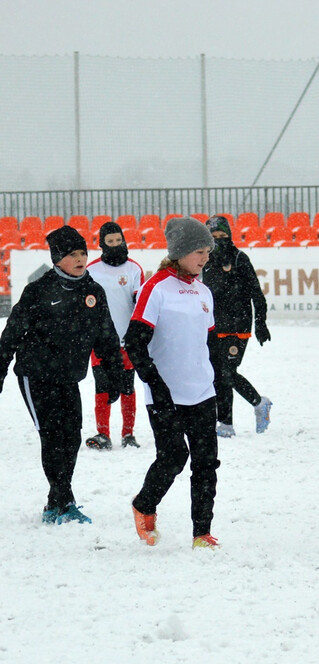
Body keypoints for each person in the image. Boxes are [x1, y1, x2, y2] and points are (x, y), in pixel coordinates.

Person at [0, 225, 124, 524]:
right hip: (35, 374)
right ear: (57, 258)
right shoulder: (38, 290)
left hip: (69, 376)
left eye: (83, 253)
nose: (80, 259)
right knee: (52, 437)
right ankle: (62, 501)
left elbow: (106, 335)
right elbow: (12, 332)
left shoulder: (93, 291)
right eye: (72, 254)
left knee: (71, 437)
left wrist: (113, 372)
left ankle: (57, 502)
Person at [124, 217, 225, 549]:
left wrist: (219, 384)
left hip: (202, 392)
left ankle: (202, 532)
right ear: (179, 252)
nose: (205, 257)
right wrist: (157, 385)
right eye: (199, 251)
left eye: (208, 251)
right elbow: (135, 343)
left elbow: (209, 345)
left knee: (206, 462)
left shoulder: (204, 291)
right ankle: (144, 505)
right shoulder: (156, 288)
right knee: (173, 458)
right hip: (165, 394)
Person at [202, 215, 271, 437]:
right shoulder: (204, 260)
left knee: (226, 372)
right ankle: (226, 424)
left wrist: (261, 323)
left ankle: (257, 404)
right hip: (213, 324)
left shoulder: (240, 258)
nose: (218, 241)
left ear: (229, 236)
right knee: (219, 374)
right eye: (213, 237)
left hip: (238, 324)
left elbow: (256, 294)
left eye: (222, 236)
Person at [84, 221, 145, 450]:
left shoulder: (134, 269)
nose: (115, 245)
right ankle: (103, 434)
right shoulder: (92, 270)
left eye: (118, 241)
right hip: (100, 342)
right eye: (110, 242)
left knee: (127, 387)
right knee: (103, 386)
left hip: (126, 341)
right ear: (102, 244)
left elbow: (140, 305)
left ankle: (128, 434)